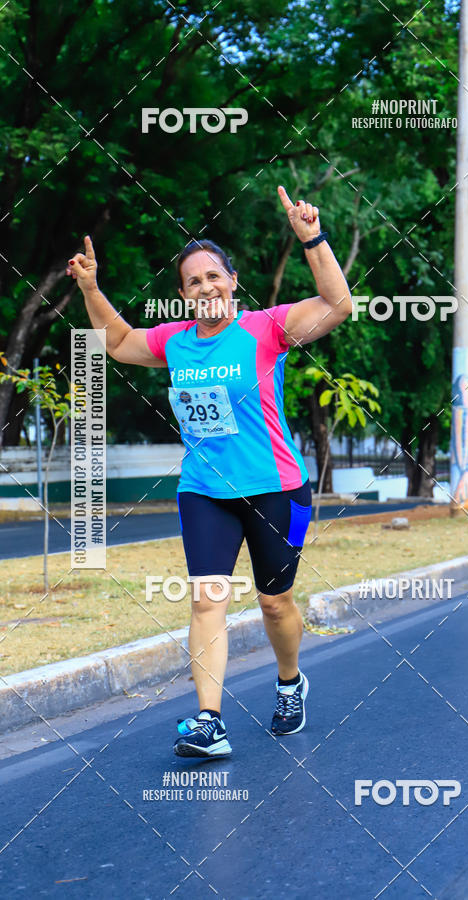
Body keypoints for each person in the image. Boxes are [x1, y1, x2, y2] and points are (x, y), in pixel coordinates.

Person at [66, 186, 353, 755]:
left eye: (213, 276)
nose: (205, 287)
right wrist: (91, 289)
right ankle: (209, 720)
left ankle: (291, 681)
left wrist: (312, 239)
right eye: (194, 281)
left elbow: (338, 305)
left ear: (232, 282)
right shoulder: (175, 341)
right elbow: (119, 342)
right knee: (206, 599)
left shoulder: (267, 328)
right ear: (183, 295)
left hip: (278, 489)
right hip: (204, 490)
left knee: (275, 602)